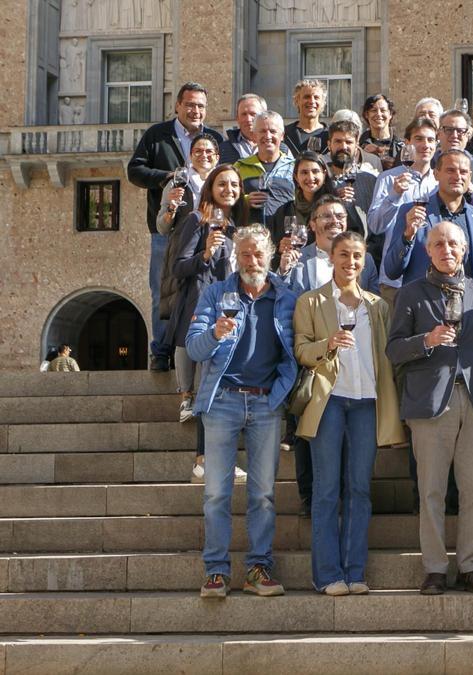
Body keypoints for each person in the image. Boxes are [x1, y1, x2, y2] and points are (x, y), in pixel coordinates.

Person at [386, 221, 473, 596]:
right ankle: (435, 569)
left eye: (453, 243)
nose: (446, 249)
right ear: (428, 250)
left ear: (465, 248)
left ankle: (471, 567)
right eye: (438, 243)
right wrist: (427, 339)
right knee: (432, 492)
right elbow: (393, 350)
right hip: (429, 403)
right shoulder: (411, 293)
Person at [187, 224, 298, 599]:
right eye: (245, 253)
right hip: (223, 401)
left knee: (263, 493)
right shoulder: (217, 294)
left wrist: (279, 395)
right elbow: (194, 349)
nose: (252, 260)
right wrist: (215, 333)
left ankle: (258, 568)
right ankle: (216, 572)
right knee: (216, 493)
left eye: (258, 253)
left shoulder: (286, 297)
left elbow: (294, 351)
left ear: (271, 257)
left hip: (267, 402)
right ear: (236, 257)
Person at [293, 230, 403, 595]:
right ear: (332, 258)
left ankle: (355, 572)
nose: (351, 262)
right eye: (344, 255)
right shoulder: (310, 302)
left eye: (357, 256)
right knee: (326, 490)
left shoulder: (378, 306)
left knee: (359, 488)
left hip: (366, 404)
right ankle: (327, 575)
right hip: (329, 404)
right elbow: (301, 351)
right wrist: (328, 344)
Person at [127, 81, 222, 372]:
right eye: (190, 105)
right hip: (166, 232)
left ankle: (204, 345)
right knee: (162, 292)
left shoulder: (214, 138)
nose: (196, 111)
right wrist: (166, 177)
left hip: (207, 233)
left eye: (201, 106)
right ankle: (161, 351)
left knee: (206, 290)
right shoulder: (157, 135)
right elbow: (134, 170)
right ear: (178, 106)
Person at [170, 165, 250, 484]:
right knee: (211, 388)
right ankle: (204, 460)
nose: (229, 189)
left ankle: (216, 459)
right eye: (222, 183)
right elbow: (179, 267)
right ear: (210, 188)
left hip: (237, 314)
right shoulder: (197, 220)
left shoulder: (240, 225)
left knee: (225, 388)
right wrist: (205, 254)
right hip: (207, 314)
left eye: (234, 184)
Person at [383, 150, 473, 286]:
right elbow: (391, 271)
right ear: (436, 174)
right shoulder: (412, 212)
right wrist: (407, 236)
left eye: (463, 172)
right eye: (450, 170)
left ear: (470, 176)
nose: (457, 176)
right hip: (425, 304)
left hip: (469, 304)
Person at [367, 117, 440, 288]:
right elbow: (375, 226)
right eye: (419, 139)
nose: (425, 145)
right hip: (395, 281)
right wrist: (394, 195)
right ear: (407, 143)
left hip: (431, 277)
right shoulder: (388, 178)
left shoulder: (439, 182)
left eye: (430, 140)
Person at [282, 194, 380, 293]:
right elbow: (283, 297)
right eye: (327, 216)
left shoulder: (365, 260)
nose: (334, 221)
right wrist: (283, 271)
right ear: (313, 225)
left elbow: (373, 304)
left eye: (340, 216)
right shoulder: (298, 259)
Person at [234, 110, 296, 226]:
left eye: (273, 131)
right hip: (250, 237)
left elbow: (304, 200)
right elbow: (227, 200)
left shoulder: (294, 167)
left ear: (282, 136)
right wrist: (245, 200)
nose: (268, 136)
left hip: (285, 238)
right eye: (262, 131)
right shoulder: (239, 167)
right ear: (254, 135)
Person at [266, 152, 334, 253]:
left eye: (315, 171)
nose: (310, 177)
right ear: (296, 177)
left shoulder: (335, 209)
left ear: (324, 174)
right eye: (304, 172)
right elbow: (272, 249)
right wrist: (280, 249)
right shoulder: (285, 211)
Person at [218, 93, 267, 165]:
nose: (248, 119)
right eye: (244, 114)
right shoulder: (223, 149)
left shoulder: (279, 147)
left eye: (253, 114)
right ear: (237, 118)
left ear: (264, 116)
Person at [284, 79, 328, 156]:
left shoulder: (330, 136)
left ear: (323, 103)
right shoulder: (284, 134)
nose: (311, 101)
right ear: (297, 101)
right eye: (307, 97)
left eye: (316, 97)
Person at [360, 93, 403, 170]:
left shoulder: (401, 147)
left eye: (383, 110)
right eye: (374, 110)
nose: (379, 114)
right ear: (367, 114)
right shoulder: (359, 146)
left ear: (390, 114)